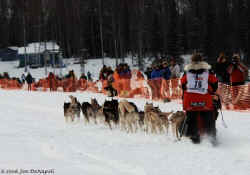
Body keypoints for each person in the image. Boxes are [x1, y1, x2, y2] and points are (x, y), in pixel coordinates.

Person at [181, 53, 218, 144]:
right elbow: (215, 83)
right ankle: (211, 136)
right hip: (205, 98)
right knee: (208, 117)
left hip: (190, 99)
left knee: (191, 117)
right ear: (201, 60)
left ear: (192, 61)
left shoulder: (187, 72)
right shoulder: (208, 72)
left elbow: (183, 84)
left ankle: (194, 136)